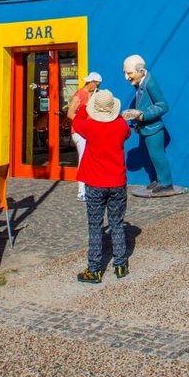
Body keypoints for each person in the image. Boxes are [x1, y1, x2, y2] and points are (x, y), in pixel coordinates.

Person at [72, 88, 131, 282]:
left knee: (95, 226)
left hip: (95, 182)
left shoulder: (89, 127)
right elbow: (127, 133)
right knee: (117, 223)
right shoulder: (121, 126)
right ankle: (121, 265)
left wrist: (84, 108)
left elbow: (76, 121)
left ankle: (95, 269)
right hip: (117, 182)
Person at [121, 54, 177, 197]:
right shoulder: (141, 82)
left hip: (154, 128)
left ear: (140, 71)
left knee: (157, 155)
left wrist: (142, 115)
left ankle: (166, 183)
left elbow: (163, 106)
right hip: (147, 128)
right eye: (125, 73)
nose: (127, 77)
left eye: (129, 73)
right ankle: (159, 180)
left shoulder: (149, 83)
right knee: (152, 156)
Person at [65, 71, 101, 201]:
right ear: (91, 82)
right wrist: (83, 123)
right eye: (97, 84)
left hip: (87, 131)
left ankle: (88, 187)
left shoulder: (92, 94)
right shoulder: (79, 94)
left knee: (89, 158)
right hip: (79, 132)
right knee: (83, 159)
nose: (97, 86)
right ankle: (81, 191)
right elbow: (70, 113)